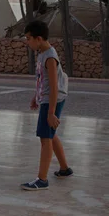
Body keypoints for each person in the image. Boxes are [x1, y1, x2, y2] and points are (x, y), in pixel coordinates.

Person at [21, 20, 72, 191]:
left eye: (29, 38)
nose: (27, 42)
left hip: (52, 100)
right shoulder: (42, 53)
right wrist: (36, 96)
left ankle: (42, 179)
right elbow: (43, 81)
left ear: (39, 38)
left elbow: (54, 87)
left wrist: (50, 113)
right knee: (50, 134)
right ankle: (64, 169)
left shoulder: (50, 57)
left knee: (45, 138)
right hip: (46, 98)